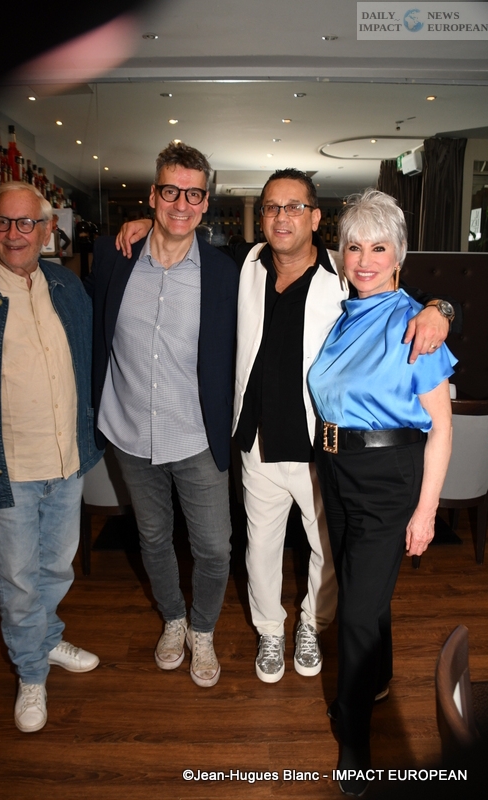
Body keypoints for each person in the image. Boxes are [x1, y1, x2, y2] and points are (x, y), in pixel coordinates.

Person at [115, 168, 454, 685]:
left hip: (320, 445)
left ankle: (313, 624)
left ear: (315, 218)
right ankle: (270, 629)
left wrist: (440, 309)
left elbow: (410, 295)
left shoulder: (345, 271)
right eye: (272, 206)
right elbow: (181, 238)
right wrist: (149, 224)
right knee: (261, 548)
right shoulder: (244, 262)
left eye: (295, 207)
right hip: (254, 438)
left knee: (325, 550)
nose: (281, 217)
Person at [308, 189, 455, 796]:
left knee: (356, 612)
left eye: (378, 248)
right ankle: (379, 678)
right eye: (354, 247)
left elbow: (441, 428)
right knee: (363, 591)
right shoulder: (346, 313)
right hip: (337, 471)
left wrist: (427, 512)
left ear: (398, 256)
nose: (364, 260)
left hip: (389, 477)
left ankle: (354, 737)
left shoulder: (414, 323)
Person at [85, 142, 239, 688]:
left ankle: (203, 628)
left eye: (193, 194)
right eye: (171, 191)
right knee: (153, 539)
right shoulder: (113, 257)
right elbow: (89, 330)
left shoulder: (226, 273)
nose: (181, 204)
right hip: (130, 431)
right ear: (153, 195)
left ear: (206, 202)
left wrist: (436, 305)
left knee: (214, 547)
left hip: (196, 434)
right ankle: (174, 619)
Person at [0, 182, 103, 733]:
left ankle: (46, 639)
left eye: (26, 223)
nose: (14, 234)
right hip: (5, 467)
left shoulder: (67, 285)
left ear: (46, 231)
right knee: (17, 580)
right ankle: (31, 672)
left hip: (65, 459)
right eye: (3, 222)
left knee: (55, 567)